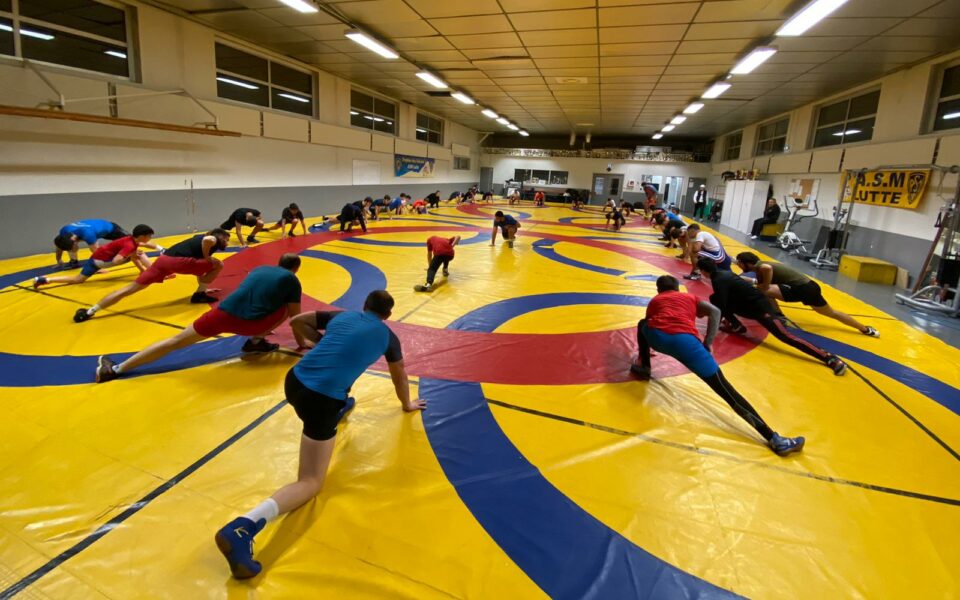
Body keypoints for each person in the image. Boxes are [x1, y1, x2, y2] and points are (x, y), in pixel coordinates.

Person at [213, 290, 424, 579]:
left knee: (337, 388)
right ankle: (243, 527)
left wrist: (319, 343)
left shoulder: (343, 316)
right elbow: (399, 375)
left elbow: (298, 321)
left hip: (294, 381)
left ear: (364, 305)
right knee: (311, 482)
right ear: (388, 316)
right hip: (320, 401)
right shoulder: (389, 337)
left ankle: (340, 406)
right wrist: (406, 404)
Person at [632, 275, 805, 456]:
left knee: (643, 324)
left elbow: (650, 322)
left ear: (659, 290)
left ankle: (645, 365)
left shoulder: (656, 300)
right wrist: (708, 342)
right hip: (685, 343)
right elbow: (715, 311)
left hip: (656, 337)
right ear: (677, 288)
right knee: (727, 391)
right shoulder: (689, 297)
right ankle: (775, 439)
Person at [94, 254, 303, 382]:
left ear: (278, 263)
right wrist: (301, 343)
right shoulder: (292, 280)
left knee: (174, 341)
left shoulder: (259, 269)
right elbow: (296, 317)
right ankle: (257, 341)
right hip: (253, 324)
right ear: (296, 269)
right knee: (286, 305)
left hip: (222, 314)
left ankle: (115, 370)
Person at [696, 258, 848, 375]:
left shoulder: (719, 280)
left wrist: (709, 326)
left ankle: (828, 358)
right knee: (715, 299)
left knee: (785, 336)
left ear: (703, 271)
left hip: (760, 308)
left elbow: (720, 308)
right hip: (749, 306)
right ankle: (736, 325)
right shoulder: (723, 274)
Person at [73, 228, 231, 322]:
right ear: (221, 236)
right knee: (219, 264)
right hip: (179, 262)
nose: (228, 243)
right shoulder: (211, 239)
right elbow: (209, 239)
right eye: (227, 239)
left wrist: (204, 266)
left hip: (163, 261)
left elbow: (202, 255)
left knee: (131, 288)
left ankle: (90, 311)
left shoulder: (199, 238)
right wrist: (207, 257)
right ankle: (199, 294)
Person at [735, 252, 880, 337]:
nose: (737, 265)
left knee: (763, 290)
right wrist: (738, 278)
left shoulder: (762, 267)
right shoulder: (759, 265)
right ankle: (865, 329)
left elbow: (767, 271)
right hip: (808, 287)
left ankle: (778, 315)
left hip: (803, 289)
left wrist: (765, 285)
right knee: (831, 312)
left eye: (739, 263)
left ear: (746, 263)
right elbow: (756, 281)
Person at [35, 225, 155, 289]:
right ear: (141, 236)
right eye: (149, 236)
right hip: (103, 260)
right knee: (139, 253)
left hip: (94, 260)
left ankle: (46, 280)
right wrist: (130, 254)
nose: (150, 238)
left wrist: (155, 247)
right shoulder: (129, 244)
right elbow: (116, 260)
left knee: (78, 279)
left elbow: (147, 244)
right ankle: (153, 274)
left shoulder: (129, 240)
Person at [52, 219, 152, 268]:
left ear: (75, 242)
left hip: (110, 229)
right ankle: (74, 261)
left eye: (72, 247)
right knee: (70, 247)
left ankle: (156, 248)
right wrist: (59, 260)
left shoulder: (88, 234)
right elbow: (59, 245)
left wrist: (98, 266)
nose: (73, 249)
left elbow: (97, 252)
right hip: (94, 229)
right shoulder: (63, 232)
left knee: (133, 242)